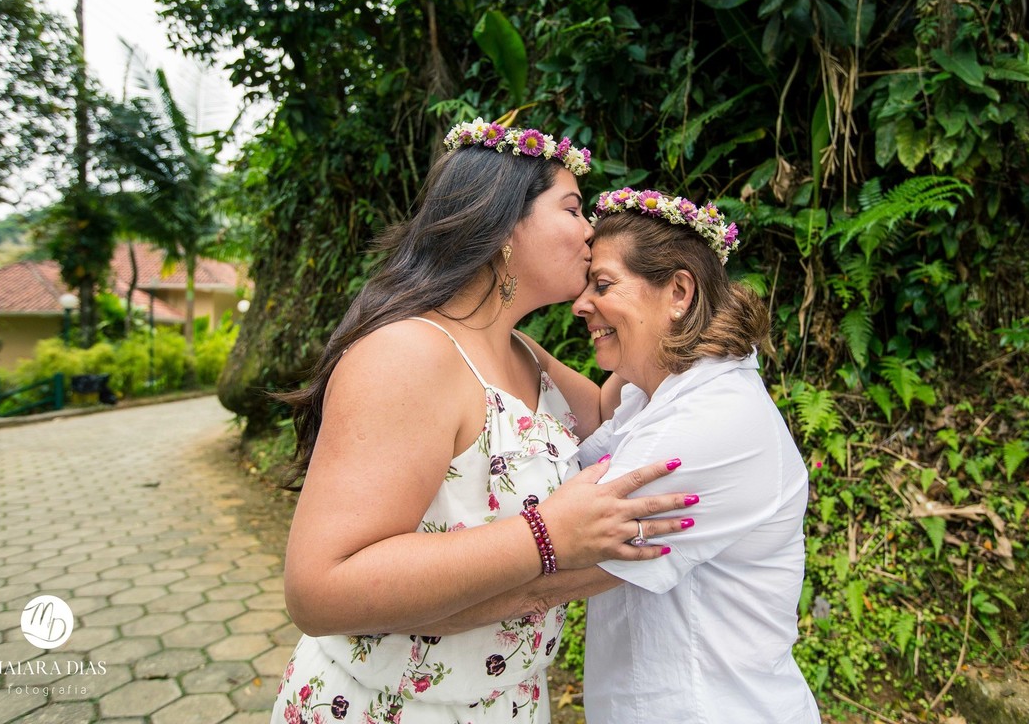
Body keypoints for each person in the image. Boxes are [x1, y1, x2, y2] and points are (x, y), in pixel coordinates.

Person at [270, 121, 696, 724]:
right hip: (391, 707)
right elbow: (319, 588)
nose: (590, 230)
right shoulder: (410, 355)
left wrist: (659, 308)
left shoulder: (521, 351)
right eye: (573, 208)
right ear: (502, 226)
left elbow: (607, 416)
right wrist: (545, 534)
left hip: (509, 699)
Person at [571, 188, 821, 723]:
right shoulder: (656, 393)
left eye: (604, 284)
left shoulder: (706, 423)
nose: (580, 304)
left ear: (679, 291)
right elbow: (583, 428)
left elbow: (552, 567)